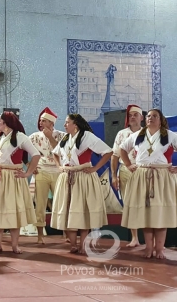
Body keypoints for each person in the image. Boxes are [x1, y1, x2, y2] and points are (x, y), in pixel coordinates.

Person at [50, 114, 112, 254]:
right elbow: (54, 153)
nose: (65, 125)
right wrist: (59, 166)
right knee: (67, 210)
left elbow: (108, 152)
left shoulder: (87, 136)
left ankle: (83, 244)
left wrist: (95, 168)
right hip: (67, 177)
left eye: (67, 122)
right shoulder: (65, 139)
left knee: (83, 211)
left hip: (83, 177)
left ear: (76, 124)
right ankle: (73, 244)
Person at [120, 109, 177, 259]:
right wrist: (128, 164)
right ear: (145, 119)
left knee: (160, 214)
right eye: (149, 116)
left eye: (155, 116)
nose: (151, 118)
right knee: (146, 214)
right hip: (142, 176)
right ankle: (148, 247)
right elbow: (122, 149)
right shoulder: (137, 135)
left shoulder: (170, 135)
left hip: (162, 176)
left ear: (161, 119)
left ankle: (159, 249)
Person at [0, 111, 40, 254]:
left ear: (6, 123)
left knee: (14, 211)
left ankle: (15, 245)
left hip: (13, 177)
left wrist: (27, 172)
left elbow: (36, 155)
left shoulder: (20, 137)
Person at [28, 107, 65, 244]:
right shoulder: (34, 137)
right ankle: (39, 236)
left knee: (61, 202)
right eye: (40, 120)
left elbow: (60, 152)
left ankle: (65, 233)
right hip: (41, 171)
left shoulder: (61, 136)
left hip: (57, 172)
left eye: (44, 121)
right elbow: (23, 152)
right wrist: (30, 167)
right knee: (40, 204)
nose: (41, 122)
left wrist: (50, 137)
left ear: (51, 123)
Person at [111, 104, 143, 248]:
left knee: (147, 203)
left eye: (135, 114)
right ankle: (134, 237)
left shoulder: (148, 133)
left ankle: (151, 238)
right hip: (126, 171)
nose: (132, 117)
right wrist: (113, 176)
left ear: (141, 118)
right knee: (129, 204)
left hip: (143, 172)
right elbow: (115, 156)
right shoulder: (121, 134)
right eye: (130, 115)